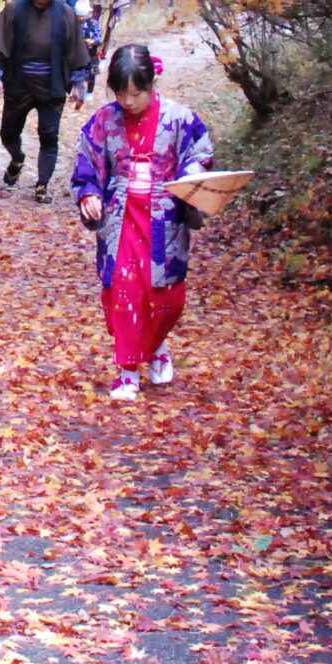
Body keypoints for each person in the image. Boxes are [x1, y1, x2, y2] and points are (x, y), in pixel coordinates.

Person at [72, 44, 215, 401]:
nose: (128, 101)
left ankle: (157, 346)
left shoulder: (179, 118)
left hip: (165, 219)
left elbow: (199, 153)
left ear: (152, 85)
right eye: (121, 94)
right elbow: (87, 160)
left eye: (136, 94)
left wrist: (189, 179)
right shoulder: (105, 120)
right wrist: (89, 193)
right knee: (123, 293)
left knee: (167, 298)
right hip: (120, 218)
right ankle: (127, 373)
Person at [0, 0, 92, 200]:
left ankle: (42, 185)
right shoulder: (14, 10)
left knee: (50, 135)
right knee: (8, 132)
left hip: (52, 83)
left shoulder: (66, 13)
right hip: (19, 81)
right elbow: (1, 46)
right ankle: (17, 158)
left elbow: (74, 51)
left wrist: (78, 83)